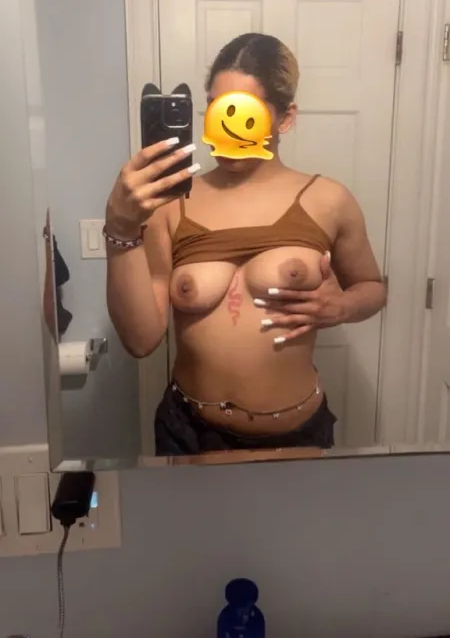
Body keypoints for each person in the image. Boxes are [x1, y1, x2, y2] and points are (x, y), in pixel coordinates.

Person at [105, 33, 386, 456]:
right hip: (187, 433)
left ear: (285, 117)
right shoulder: (171, 206)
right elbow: (140, 341)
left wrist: (343, 307)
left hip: (297, 435)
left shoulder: (328, 200)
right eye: (218, 109)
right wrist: (121, 228)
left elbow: (373, 288)